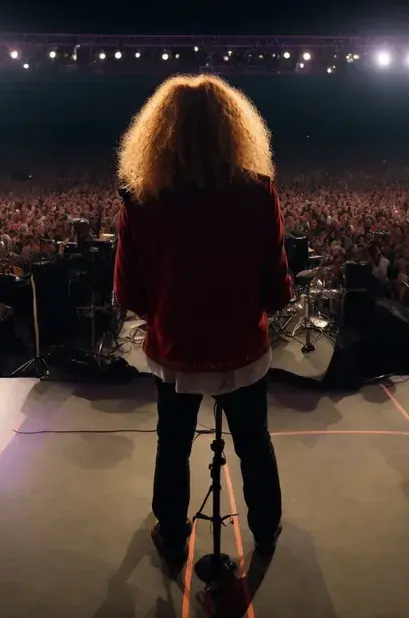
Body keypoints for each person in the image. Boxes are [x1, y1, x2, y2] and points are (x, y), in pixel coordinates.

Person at [113, 74, 292, 569]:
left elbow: (128, 291)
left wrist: (172, 313)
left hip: (175, 348)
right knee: (254, 442)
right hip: (242, 348)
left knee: (172, 445)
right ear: (233, 130)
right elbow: (277, 288)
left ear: (159, 132)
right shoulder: (259, 193)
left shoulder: (141, 198)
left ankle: (172, 533)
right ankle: (266, 528)